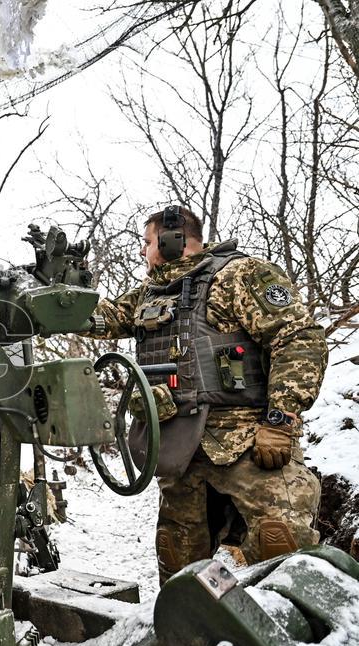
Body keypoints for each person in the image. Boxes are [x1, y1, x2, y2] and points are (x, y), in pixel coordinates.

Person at [89, 205, 327, 585]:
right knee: (180, 567)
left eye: (147, 242)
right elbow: (97, 317)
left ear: (171, 240)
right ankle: (200, 633)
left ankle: (297, 637)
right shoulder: (146, 296)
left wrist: (281, 420)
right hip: (176, 451)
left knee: (283, 551)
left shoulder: (239, 276)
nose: (141, 253)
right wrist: (46, 300)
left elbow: (299, 339)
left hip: (246, 445)